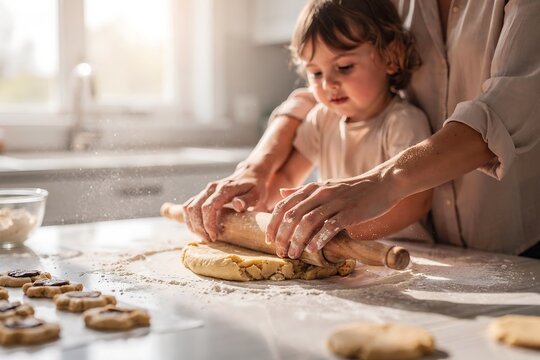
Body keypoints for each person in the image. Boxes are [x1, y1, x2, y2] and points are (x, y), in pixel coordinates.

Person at [183, 0, 540, 258]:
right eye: (316, 73)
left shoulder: (403, 120)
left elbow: (509, 107)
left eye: (343, 68)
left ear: (391, 57)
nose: (327, 84)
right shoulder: (325, 116)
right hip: (376, 258)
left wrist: (337, 226)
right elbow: (287, 174)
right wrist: (251, 195)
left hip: (511, 243)